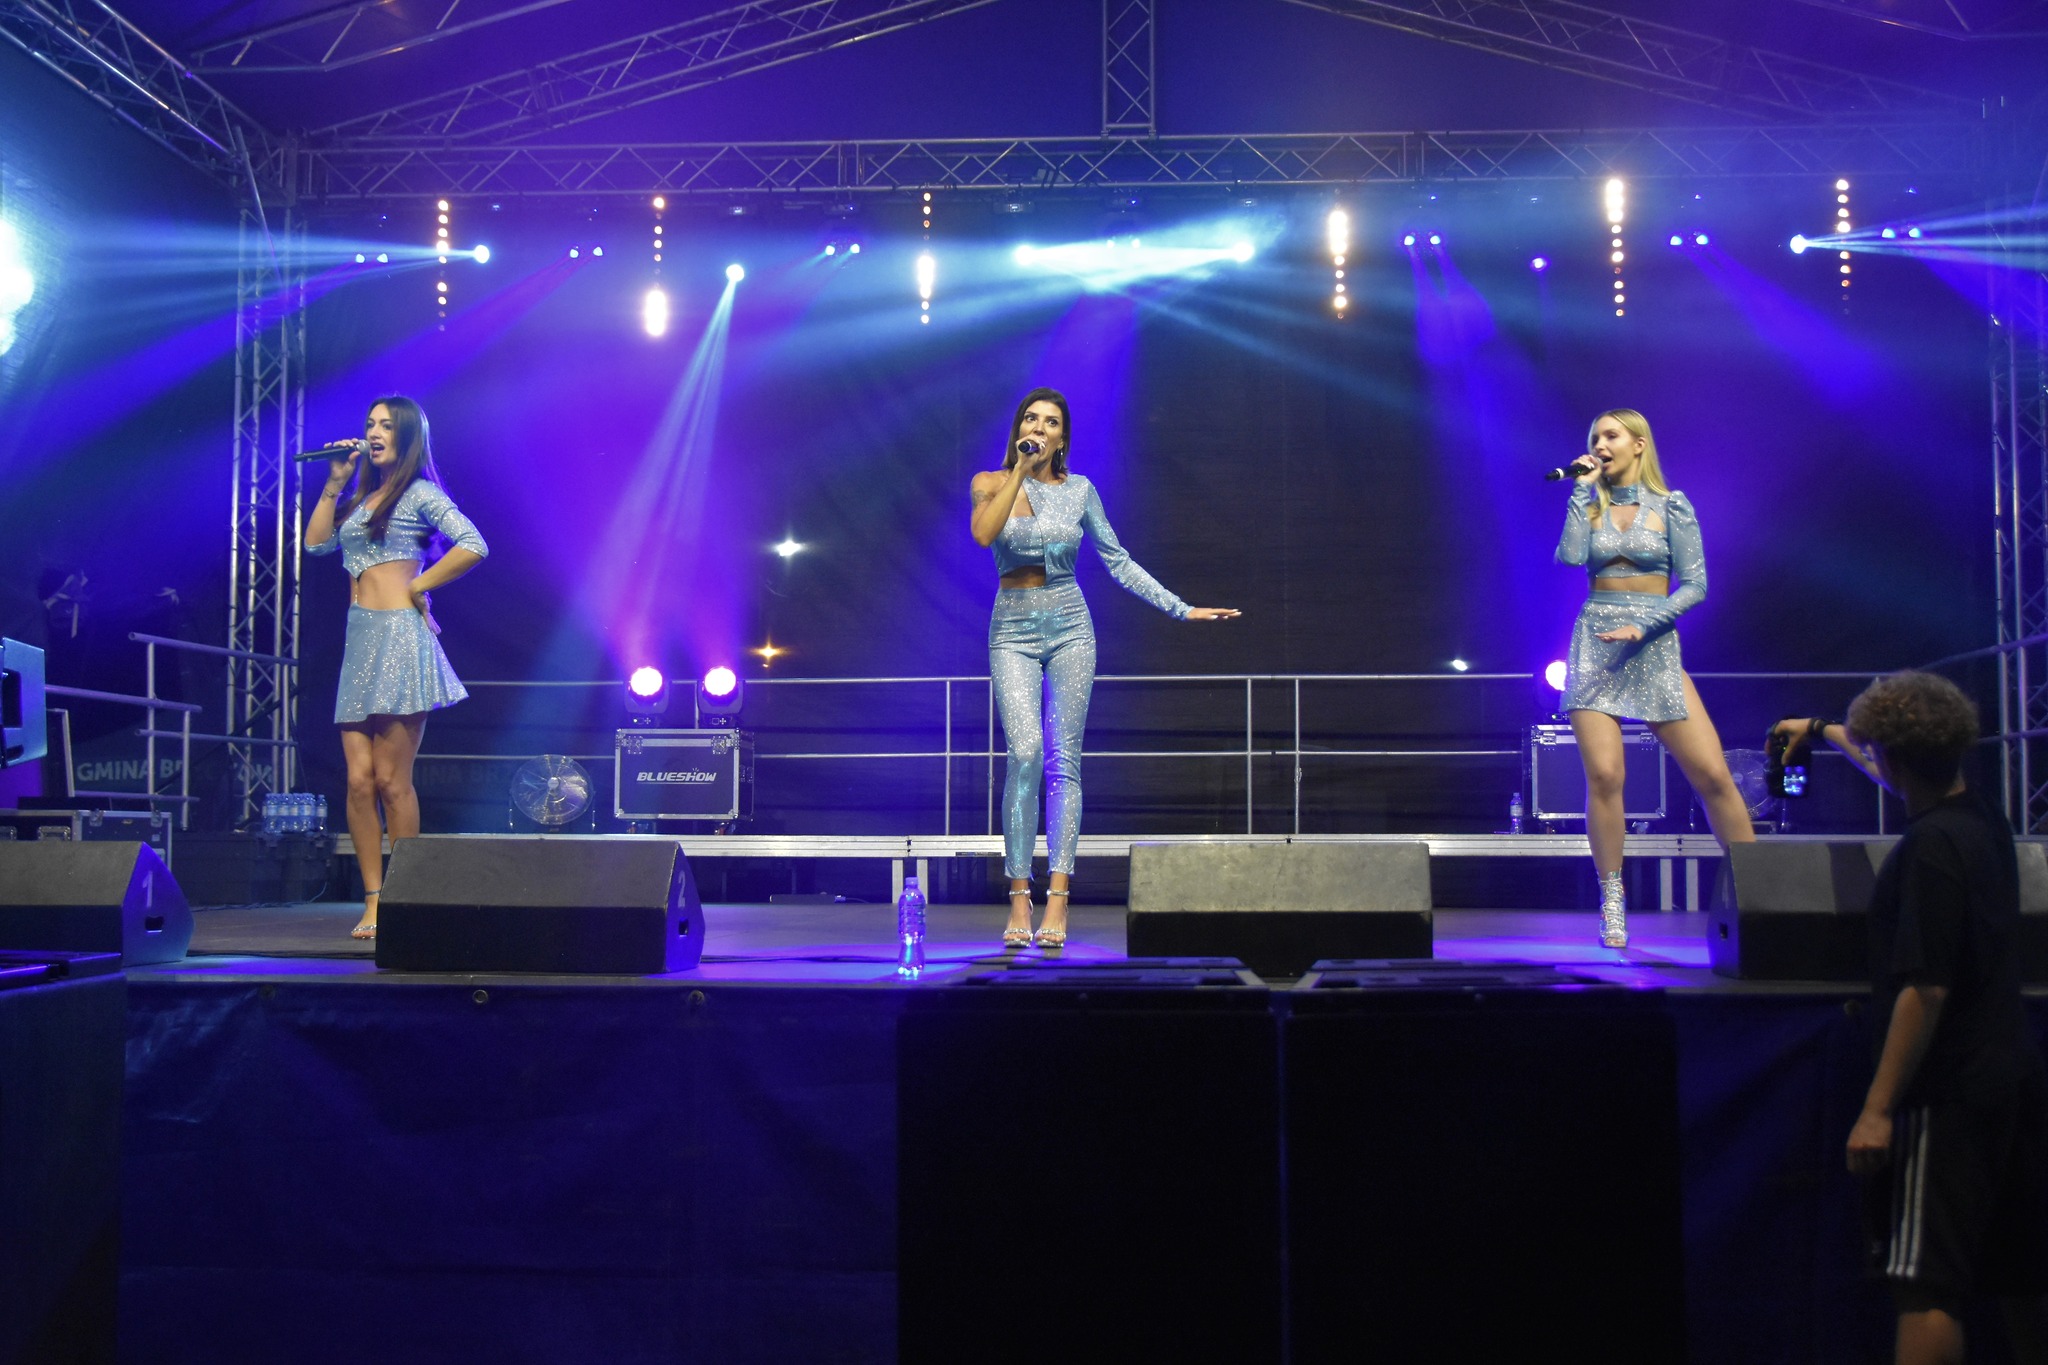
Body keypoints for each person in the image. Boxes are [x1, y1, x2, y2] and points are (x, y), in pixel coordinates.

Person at [1774, 674, 2048, 1365]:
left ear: (1890, 759)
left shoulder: (1928, 850)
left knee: (1925, 1285)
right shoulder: (1984, 819)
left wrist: (1877, 1108)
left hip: (1945, 1093)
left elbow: (1924, 989)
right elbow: (1887, 763)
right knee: (2018, 1273)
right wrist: (1823, 730)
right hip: (2009, 1075)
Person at [968, 387, 1239, 949]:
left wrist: (1181, 608)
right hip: (1011, 628)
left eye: (1050, 423)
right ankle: (1019, 892)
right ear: (1019, 429)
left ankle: (1058, 897)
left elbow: (1117, 559)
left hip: (1071, 625)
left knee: (1063, 760)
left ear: (1062, 438)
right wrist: (1020, 470)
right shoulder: (990, 482)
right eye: (1031, 419)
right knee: (1025, 754)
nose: (1039, 428)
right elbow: (984, 534)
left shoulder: (1080, 491)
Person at [1555, 408, 1753, 948]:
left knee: (1712, 774)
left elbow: (1696, 585)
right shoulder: (1589, 504)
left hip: (1653, 643)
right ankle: (1612, 896)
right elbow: (1570, 558)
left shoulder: (1672, 506)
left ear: (1639, 444)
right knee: (1605, 776)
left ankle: (1756, 888)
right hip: (1595, 644)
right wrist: (1580, 493)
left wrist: (1644, 625)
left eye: (1611, 435)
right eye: (1594, 437)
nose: (1600, 444)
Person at [305, 396, 487, 939]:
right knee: (358, 782)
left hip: (402, 640)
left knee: (390, 780)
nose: (374, 432)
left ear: (407, 437)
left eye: (386, 425)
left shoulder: (421, 493)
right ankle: (374, 899)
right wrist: (335, 482)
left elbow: (474, 544)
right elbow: (315, 545)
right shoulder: (361, 500)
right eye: (370, 424)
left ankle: (407, 896)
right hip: (359, 642)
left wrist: (419, 585)